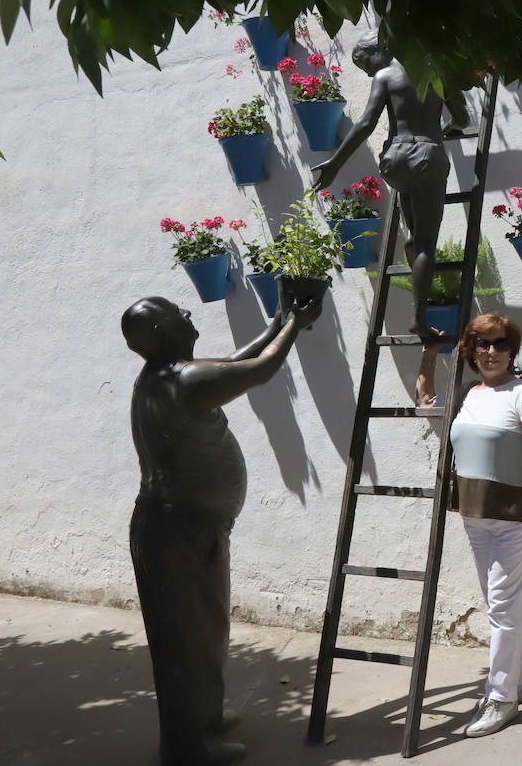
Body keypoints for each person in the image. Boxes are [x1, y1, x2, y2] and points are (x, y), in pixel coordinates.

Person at [122, 294, 320, 765]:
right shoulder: (183, 380)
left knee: (204, 633)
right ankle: (189, 747)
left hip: (183, 529)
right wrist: (294, 321)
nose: (188, 315)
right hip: (179, 532)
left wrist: (277, 321)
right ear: (160, 334)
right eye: (176, 313)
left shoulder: (172, 376)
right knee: (185, 643)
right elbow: (260, 370)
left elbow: (233, 363)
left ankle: (205, 720)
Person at [414, 313, 522, 738]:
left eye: (498, 344)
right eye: (481, 344)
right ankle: (520, 680)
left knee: (503, 609)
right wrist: (428, 354)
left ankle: (501, 698)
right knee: (502, 606)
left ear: (512, 350)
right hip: (475, 515)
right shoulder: (467, 393)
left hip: (514, 519)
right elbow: (424, 404)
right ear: (472, 351)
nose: (490, 352)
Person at [310, 33, 470, 341]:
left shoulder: (385, 75)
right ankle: (420, 319)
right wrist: (446, 128)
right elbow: (462, 117)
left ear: (380, 51)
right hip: (426, 155)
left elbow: (366, 123)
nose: (369, 72)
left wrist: (334, 164)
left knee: (414, 235)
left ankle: (412, 244)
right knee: (426, 245)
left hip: (395, 160)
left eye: (366, 64)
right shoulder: (436, 70)